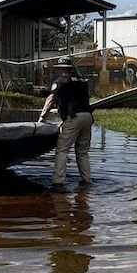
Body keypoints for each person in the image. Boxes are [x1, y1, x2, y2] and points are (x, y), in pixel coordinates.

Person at [38, 57, 93, 190]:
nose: (57, 71)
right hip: (88, 117)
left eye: (58, 69)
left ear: (62, 69)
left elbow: (51, 99)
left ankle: (58, 183)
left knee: (62, 151)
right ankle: (87, 181)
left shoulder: (60, 82)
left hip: (73, 117)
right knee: (82, 152)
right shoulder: (82, 81)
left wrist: (42, 117)